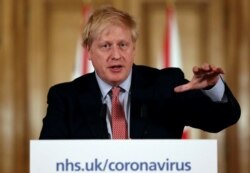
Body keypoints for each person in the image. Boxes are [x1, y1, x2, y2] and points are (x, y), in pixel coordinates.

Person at [39, 6, 240, 139]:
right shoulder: (65, 97)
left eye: (123, 45)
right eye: (106, 46)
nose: (116, 55)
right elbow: (50, 159)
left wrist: (213, 87)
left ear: (133, 48)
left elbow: (220, 120)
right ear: (89, 51)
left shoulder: (166, 85)